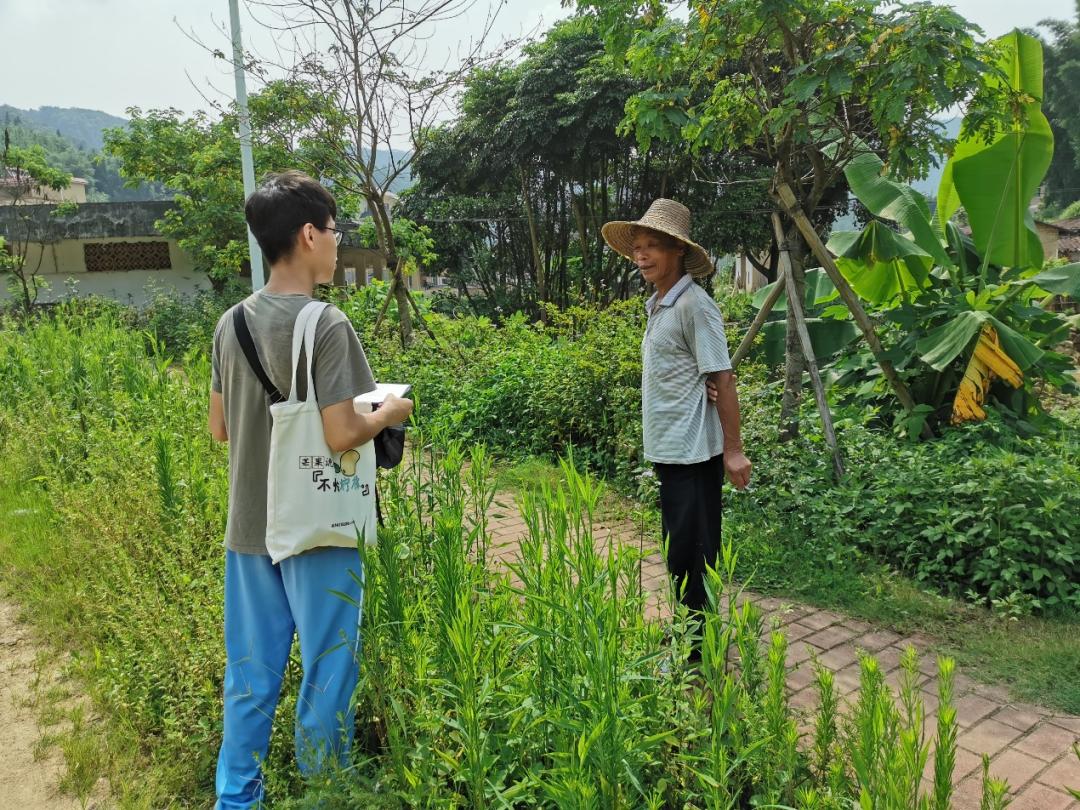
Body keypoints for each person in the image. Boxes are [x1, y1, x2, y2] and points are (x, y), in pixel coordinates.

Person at [208, 170, 412, 809]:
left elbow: (219, 428)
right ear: (306, 234)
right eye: (332, 230)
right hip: (316, 527)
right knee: (328, 670)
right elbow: (341, 431)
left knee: (249, 676)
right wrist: (390, 413)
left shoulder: (229, 324)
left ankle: (236, 798)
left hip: (249, 528)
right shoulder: (327, 324)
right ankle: (328, 792)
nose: (335, 240)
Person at [602, 198, 751, 659]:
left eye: (653, 248)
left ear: (678, 252)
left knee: (695, 555)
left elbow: (721, 376)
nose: (641, 256)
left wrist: (734, 451)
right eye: (638, 248)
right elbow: (697, 374)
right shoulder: (660, 304)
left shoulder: (693, 306)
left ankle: (697, 652)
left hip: (694, 455)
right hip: (670, 453)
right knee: (679, 551)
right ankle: (690, 632)